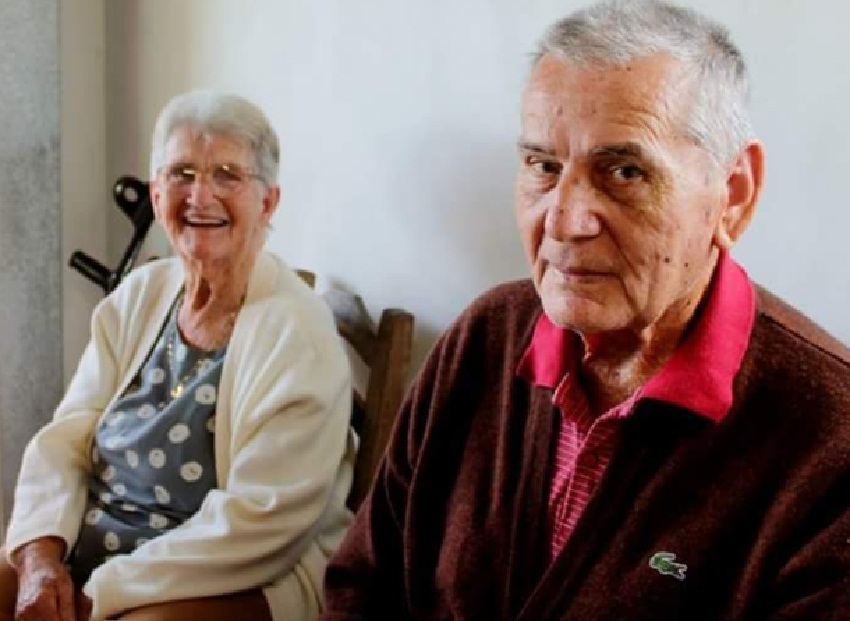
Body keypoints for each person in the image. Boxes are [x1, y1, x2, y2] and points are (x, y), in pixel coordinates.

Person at [320, 1, 850, 619]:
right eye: (543, 166)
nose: (565, 222)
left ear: (732, 194)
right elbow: (362, 586)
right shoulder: (485, 338)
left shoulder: (829, 443)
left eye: (624, 171)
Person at [1, 90, 356, 621]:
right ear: (155, 192)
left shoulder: (298, 333)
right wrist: (40, 560)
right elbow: (65, 439)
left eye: (228, 175)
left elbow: (261, 522)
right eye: (182, 174)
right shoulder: (141, 294)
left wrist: (100, 593)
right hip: (96, 548)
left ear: (267, 203)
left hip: (235, 572)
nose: (200, 196)